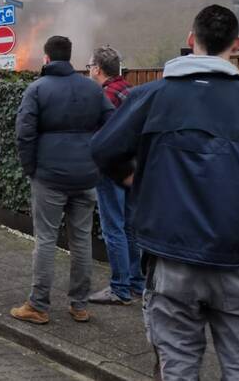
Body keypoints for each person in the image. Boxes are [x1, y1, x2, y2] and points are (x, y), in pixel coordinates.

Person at [92, 5, 239, 379]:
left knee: (177, 370)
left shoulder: (150, 98)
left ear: (191, 40)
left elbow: (103, 148)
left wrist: (131, 179)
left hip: (171, 263)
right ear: (237, 46)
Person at [10, 36, 114, 325]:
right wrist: (97, 162)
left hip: (49, 177)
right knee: (81, 240)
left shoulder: (37, 89)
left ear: (46, 58)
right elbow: (113, 126)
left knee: (45, 239)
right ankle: (79, 305)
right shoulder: (92, 89)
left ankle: (38, 305)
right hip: (86, 177)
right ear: (70, 58)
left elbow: (24, 134)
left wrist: (31, 168)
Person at [86, 46, 143, 306]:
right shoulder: (131, 91)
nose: (88, 70)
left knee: (113, 229)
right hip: (134, 171)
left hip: (110, 171)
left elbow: (100, 139)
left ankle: (119, 288)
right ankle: (137, 283)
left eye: (89, 66)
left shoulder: (104, 96)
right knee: (131, 227)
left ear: (98, 68)